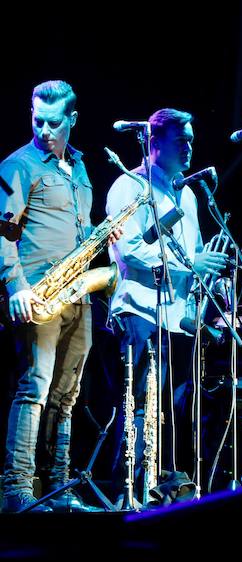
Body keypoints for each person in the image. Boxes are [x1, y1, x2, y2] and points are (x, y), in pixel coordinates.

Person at [0, 80, 116, 512]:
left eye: (53, 122)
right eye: (37, 120)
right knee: (34, 389)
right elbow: (2, 232)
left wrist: (104, 238)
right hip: (38, 294)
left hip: (78, 294)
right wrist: (16, 286)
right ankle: (16, 490)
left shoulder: (82, 169)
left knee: (68, 394)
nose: (44, 129)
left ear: (73, 120)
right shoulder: (18, 164)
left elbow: (80, 234)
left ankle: (59, 486)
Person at [106, 108, 227, 502]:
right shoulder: (129, 187)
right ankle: (129, 489)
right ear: (155, 144)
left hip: (177, 318)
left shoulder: (187, 194)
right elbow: (129, 251)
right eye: (182, 141)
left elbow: (190, 257)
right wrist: (190, 265)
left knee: (173, 409)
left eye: (191, 139)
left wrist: (209, 276)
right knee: (140, 403)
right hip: (140, 311)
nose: (191, 147)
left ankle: (162, 490)